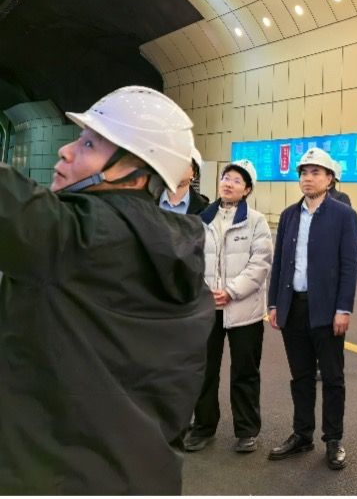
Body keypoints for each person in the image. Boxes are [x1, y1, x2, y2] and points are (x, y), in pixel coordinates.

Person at [0, 85, 213, 494]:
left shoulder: (70, 238)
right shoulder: (186, 267)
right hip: (145, 478)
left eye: (89, 144)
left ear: (135, 171)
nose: (66, 151)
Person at [267, 147, 357, 470]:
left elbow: (350, 266)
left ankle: (333, 439)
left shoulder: (343, 215)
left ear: (329, 179)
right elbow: (280, 263)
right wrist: (274, 303)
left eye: (316, 172)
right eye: (304, 173)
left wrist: (344, 308)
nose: (308, 178)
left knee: (332, 378)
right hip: (293, 307)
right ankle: (302, 434)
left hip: (327, 310)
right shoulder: (289, 215)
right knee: (301, 376)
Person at [184, 159, 274, 454]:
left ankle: (247, 430)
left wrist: (231, 292)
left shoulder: (256, 221)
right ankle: (203, 427)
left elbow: (260, 263)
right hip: (207, 307)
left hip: (244, 310)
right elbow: (191, 259)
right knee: (204, 370)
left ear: (247, 189)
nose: (228, 183)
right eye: (226, 178)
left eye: (236, 180)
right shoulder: (201, 219)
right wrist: (205, 291)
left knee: (245, 371)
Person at [158, 146, 209, 214]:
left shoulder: (204, 209)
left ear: (194, 173)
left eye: (183, 163)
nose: (176, 167)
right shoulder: (147, 199)